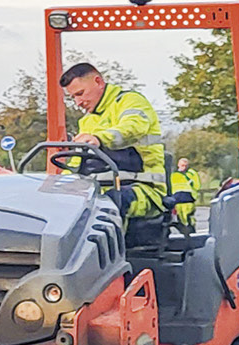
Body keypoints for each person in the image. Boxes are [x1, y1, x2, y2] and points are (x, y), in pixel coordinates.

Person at [61, 62, 166, 219]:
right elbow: (76, 164)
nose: (78, 103)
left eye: (80, 93)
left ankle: (107, 243)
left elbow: (132, 127)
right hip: (98, 192)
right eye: (73, 97)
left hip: (142, 188)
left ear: (98, 82)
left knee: (106, 206)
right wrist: (56, 185)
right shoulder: (86, 122)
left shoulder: (130, 101)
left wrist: (100, 138)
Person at [170, 157, 202, 230]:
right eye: (182, 165)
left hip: (188, 199)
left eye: (185, 165)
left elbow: (197, 186)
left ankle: (191, 231)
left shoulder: (192, 173)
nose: (183, 167)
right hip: (178, 200)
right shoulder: (174, 175)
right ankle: (185, 232)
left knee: (189, 217)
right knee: (180, 219)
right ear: (178, 165)